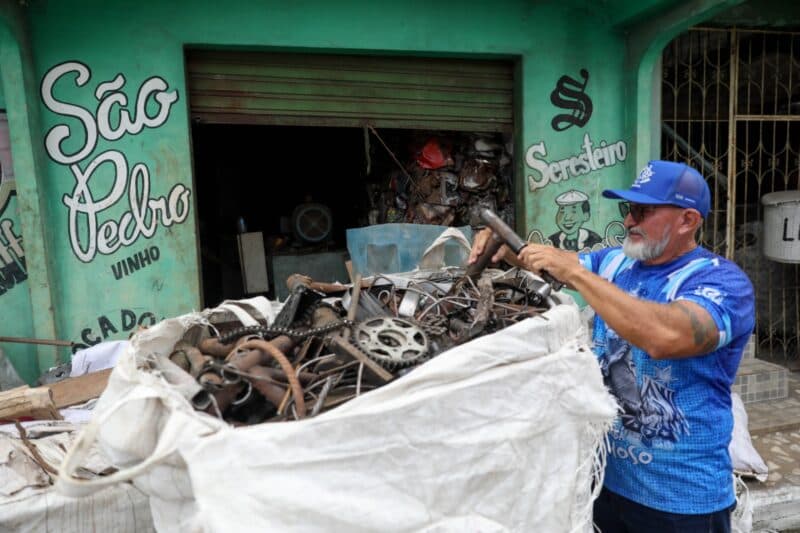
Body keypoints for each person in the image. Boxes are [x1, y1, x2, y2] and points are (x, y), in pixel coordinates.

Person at [468, 160, 755, 533]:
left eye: (643, 211)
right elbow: (553, 264)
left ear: (687, 220)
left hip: (681, 499)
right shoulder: (617, 261)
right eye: (628, 208)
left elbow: (665, 336)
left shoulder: (722, 283)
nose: (630, 220)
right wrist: (503, 247)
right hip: (605, 482)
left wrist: (577, 274)